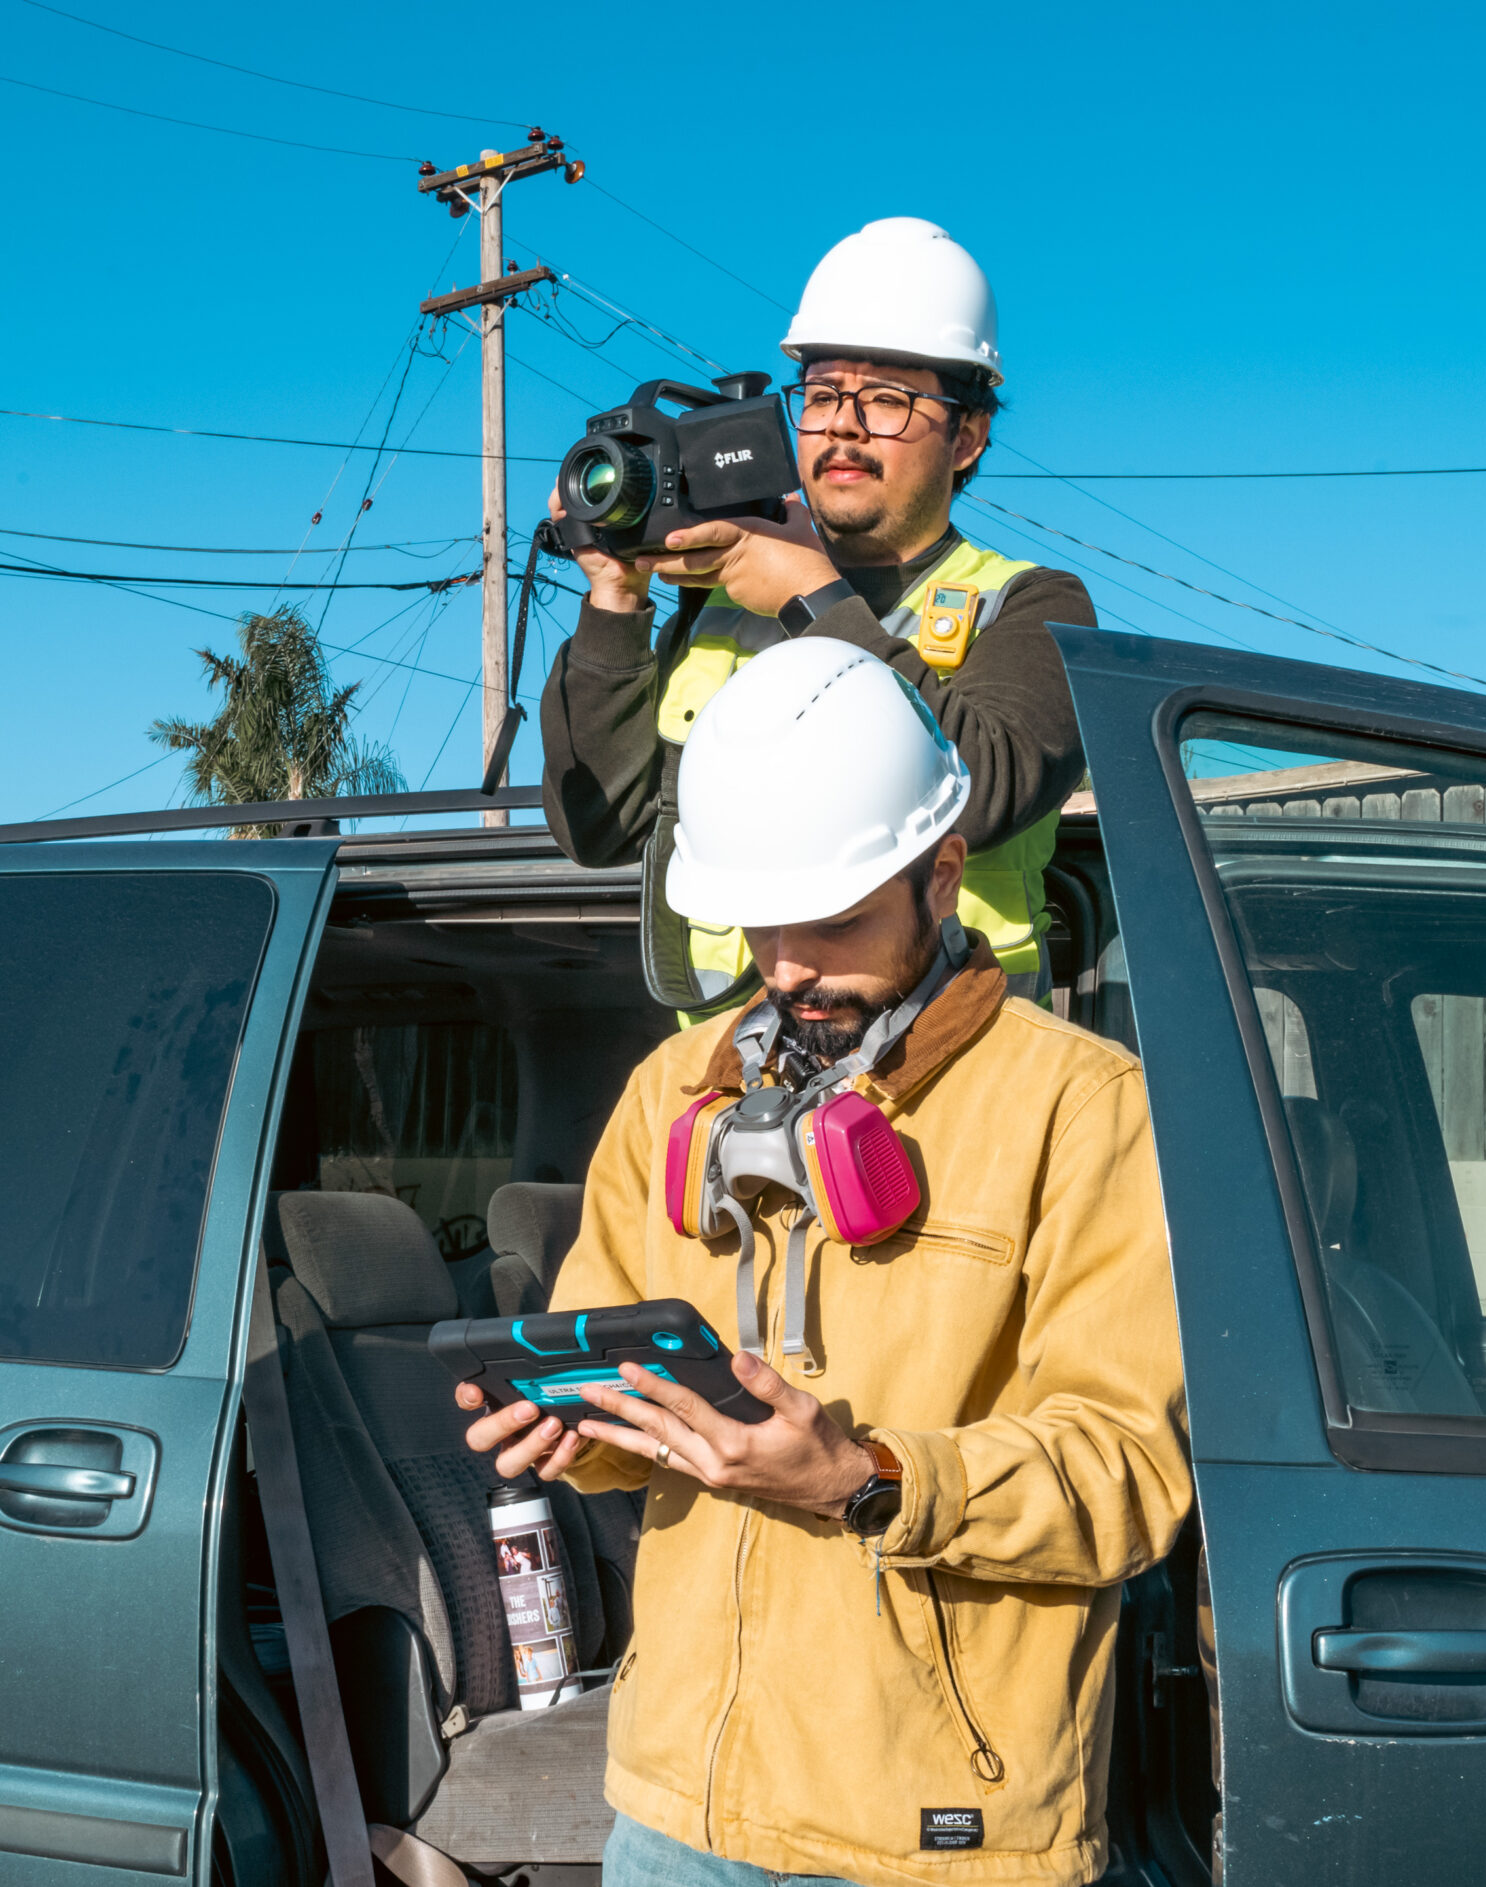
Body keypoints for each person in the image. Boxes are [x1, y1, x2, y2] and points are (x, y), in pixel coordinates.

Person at [462, 636, 1189, 1886]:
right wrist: (575, 1435)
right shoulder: (670, 1090)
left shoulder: (1085, 1107)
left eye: (835, 920)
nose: (789, 965)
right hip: (674, 1805)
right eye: (761, 923)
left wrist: (866, 1477)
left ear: (944, 872)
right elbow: (609, 1366)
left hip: (932, 1829)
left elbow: (1129, 1472)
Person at [541, 216, 1096, 1011]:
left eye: (887, 401)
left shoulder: (1032, 601)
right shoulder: (719, 607)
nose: (842, 423)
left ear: (967, 436)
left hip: (952, 1088)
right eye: (825, 394)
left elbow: (985, 784)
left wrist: (812, 597)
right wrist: (616, 598)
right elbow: (595, 831)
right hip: (735, 1088)